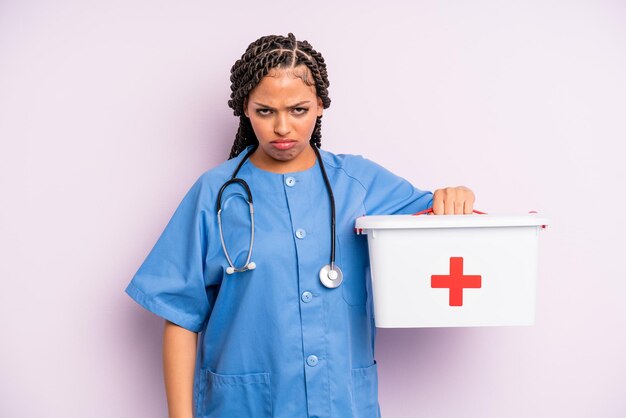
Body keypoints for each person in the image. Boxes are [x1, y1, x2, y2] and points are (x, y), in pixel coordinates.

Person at [126, 33, 475, 418]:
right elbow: (179, 315)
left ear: (321, 106)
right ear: (245, 108)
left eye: (298, 110)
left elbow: (439, 221)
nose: (281, 128)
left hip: (342, 403)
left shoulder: (360, 183)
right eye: (264, 111)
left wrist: (455, 195)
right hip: (244, 405)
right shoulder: (217, 193)